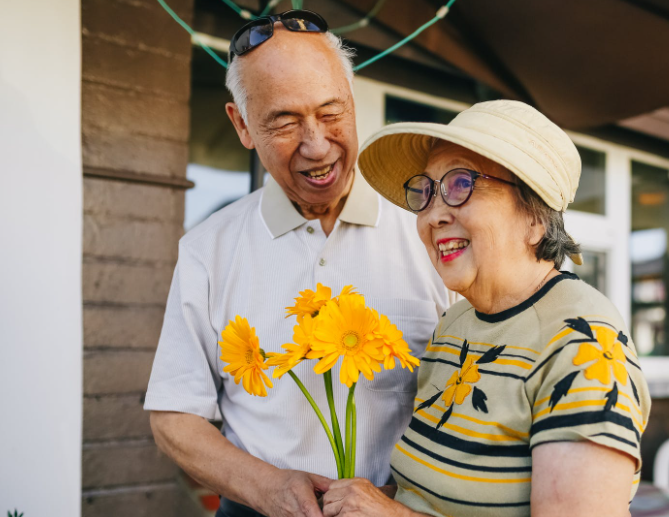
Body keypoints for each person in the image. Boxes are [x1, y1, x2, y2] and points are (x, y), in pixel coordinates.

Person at [143, 11, 450, 517]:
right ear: (241, 125)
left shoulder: (430, 230)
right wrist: (266, 486)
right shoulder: (207, 249)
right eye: (284, 121)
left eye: (332, 113)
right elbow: (174, 416)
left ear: (353, 104)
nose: (317, 144)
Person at [322, 100, 652, 516]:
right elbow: (430, 498)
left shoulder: (583, 346)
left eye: (461, 184)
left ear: (535, 217)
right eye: (425, 192)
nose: (434, 215)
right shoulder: (455, 324)